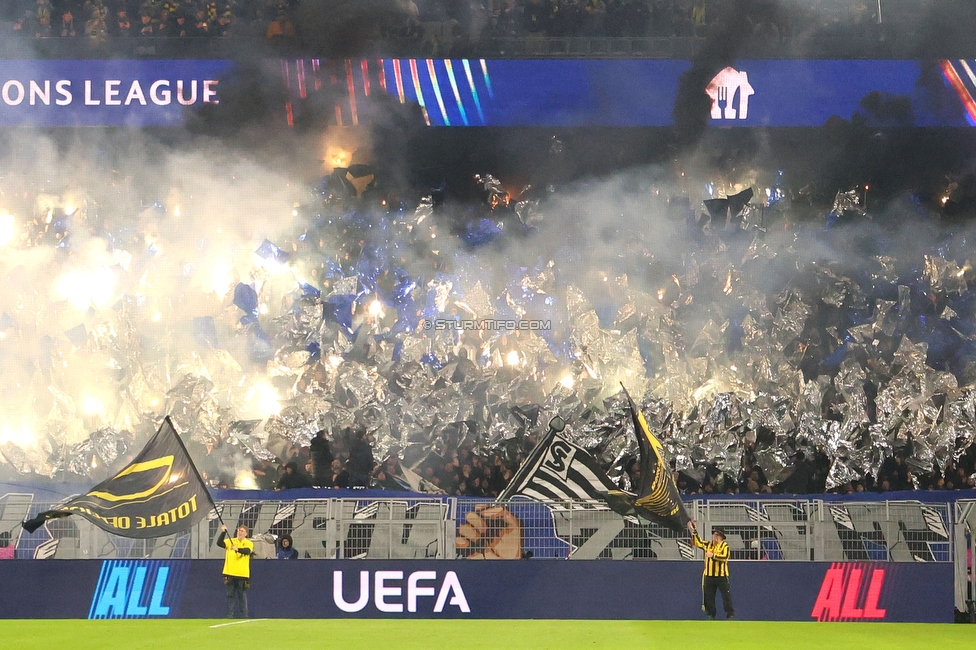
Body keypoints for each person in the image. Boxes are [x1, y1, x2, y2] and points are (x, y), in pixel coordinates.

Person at [690, 522, 734, 620]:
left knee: (726, 595)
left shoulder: (725, 546)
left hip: (721, 575)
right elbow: (698, 542)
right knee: (709, 596)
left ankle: (729, 613)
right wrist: (695, 532)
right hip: (709, 575)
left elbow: (725, 557)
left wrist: (713, 556)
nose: (714, 536)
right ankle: (711, 614)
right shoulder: (709, 544)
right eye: (714, 534)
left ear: (721, 537)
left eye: (716, 534)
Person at [217, 524, 253, 618]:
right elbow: (220, 543)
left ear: (246, 533)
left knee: (242, 595)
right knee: (230, 595)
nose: (239, 532)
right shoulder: (231, 541)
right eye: (238, 530)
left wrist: (238, 549)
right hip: (230, 572)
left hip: (242, 574)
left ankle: (244, 615)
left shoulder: (248, 543)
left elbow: (247, 551)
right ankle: (229, 615)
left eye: (241, 531)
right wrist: (223, 532)